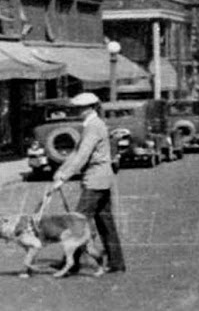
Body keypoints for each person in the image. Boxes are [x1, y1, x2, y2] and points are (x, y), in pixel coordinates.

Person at [52, 92, 126, 274]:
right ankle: (117, 263)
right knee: (105, 222)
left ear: (92, 108)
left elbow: (83, 155)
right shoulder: (92, 125)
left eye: (82, 108)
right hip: (102, 179)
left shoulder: (93, 126)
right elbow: (76, 153)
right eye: (77, 108)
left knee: (77, 223)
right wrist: (60, 171)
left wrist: (64, 177)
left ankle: (71, 264)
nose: (79, 111)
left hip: (94, 180)